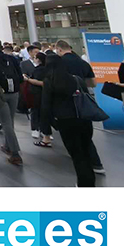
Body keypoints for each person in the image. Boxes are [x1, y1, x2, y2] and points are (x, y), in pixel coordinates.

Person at [40, 54, 95, 187]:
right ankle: (89, 181)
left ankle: (83, 183)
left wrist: (50, 124)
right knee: (86, 151)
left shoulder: (49, 81)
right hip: (83, 118)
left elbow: (46, 105)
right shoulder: (76, 79)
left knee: (76, 154)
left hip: (65, 121)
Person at [54, 40, 105, 174]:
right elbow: (93, 83)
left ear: (59, 49)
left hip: (65, 104)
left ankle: (83, 171)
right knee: (85, 137)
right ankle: (96, 164)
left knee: (71, 139)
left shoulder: (58, 63)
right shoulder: (83, 63)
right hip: (83, 103)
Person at [23, 52, 51, 145]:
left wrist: (28, 79)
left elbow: (40, 82)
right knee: (44, 112)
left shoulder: (39, 70)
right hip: (45, 95)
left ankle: (36, 129)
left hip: (36, 94)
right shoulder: (48, 69)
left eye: (35, 57)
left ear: (39, 59)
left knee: (35, 111)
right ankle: (45, 131)